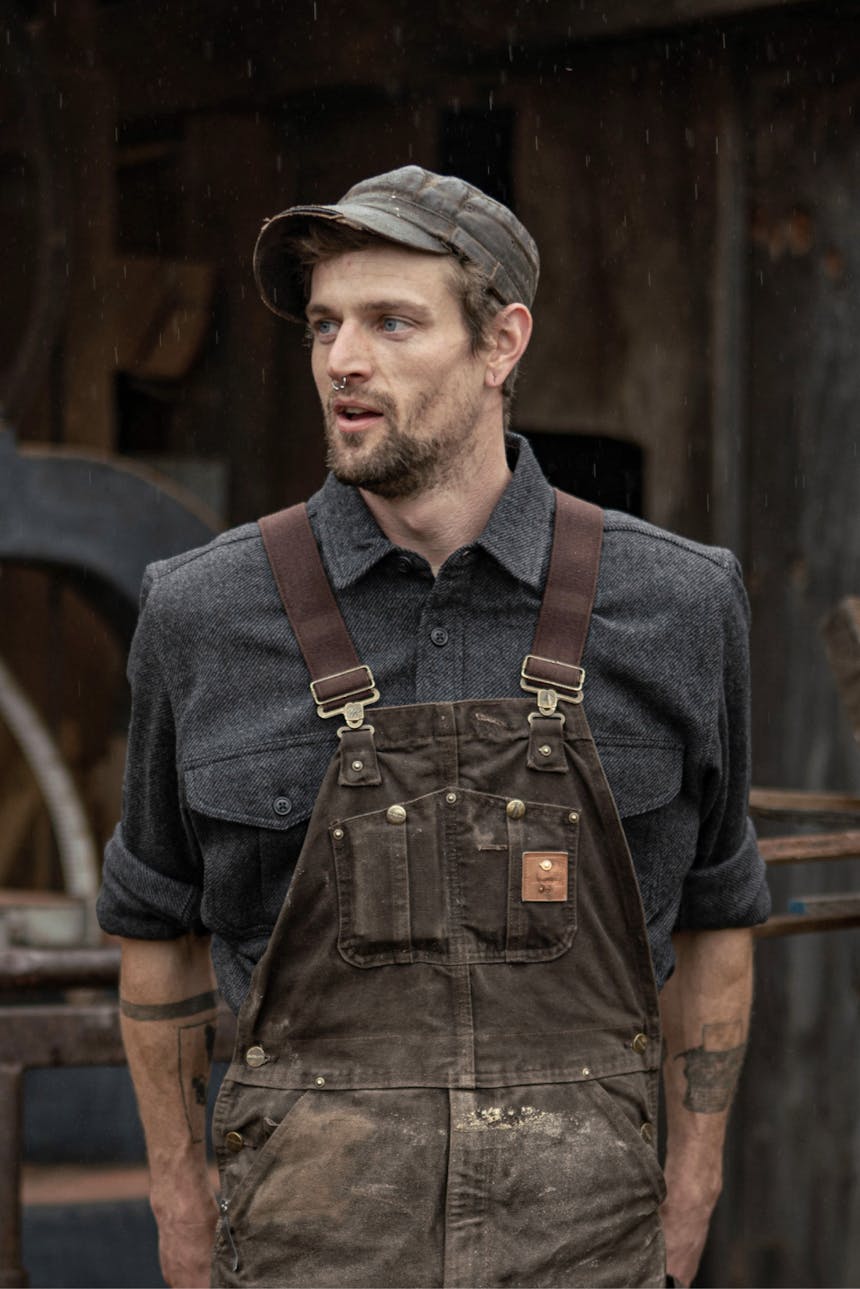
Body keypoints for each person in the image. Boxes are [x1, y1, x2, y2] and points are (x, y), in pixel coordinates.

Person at [98, 166, 770, 1289]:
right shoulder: (202, 612)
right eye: (324, 324)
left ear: (501, 343)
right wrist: (178, 1197)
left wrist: (691, 1186)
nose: (340, 361)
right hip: (302, 1253)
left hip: (592, 1251)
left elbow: (716, 910)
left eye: (390, 322)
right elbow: (151, 918)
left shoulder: (681, 604)